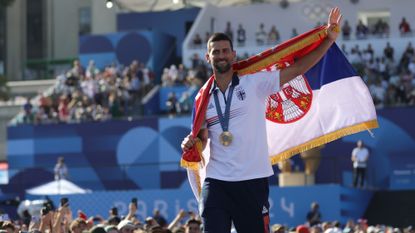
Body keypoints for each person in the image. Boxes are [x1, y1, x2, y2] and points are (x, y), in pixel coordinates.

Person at [181, 7, 342, 233]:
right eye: (215, 52)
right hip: (217, 180)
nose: (221, 55)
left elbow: (297, 69)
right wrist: (191, 143)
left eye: (225, 51)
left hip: (252, 180)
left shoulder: (254, 83)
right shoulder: (203, 97)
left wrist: (328, 40)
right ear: (208, 57)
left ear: (233, 54)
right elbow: (202, 138)